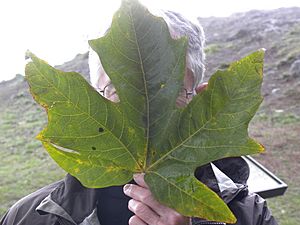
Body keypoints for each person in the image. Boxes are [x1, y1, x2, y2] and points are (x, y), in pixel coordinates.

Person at [0, 8, 277, 225]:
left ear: (203, 102)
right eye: (117, 89)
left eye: (168, 90)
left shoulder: (250, 216)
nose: (145, 113)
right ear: (93, 98)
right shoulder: (26, 218)